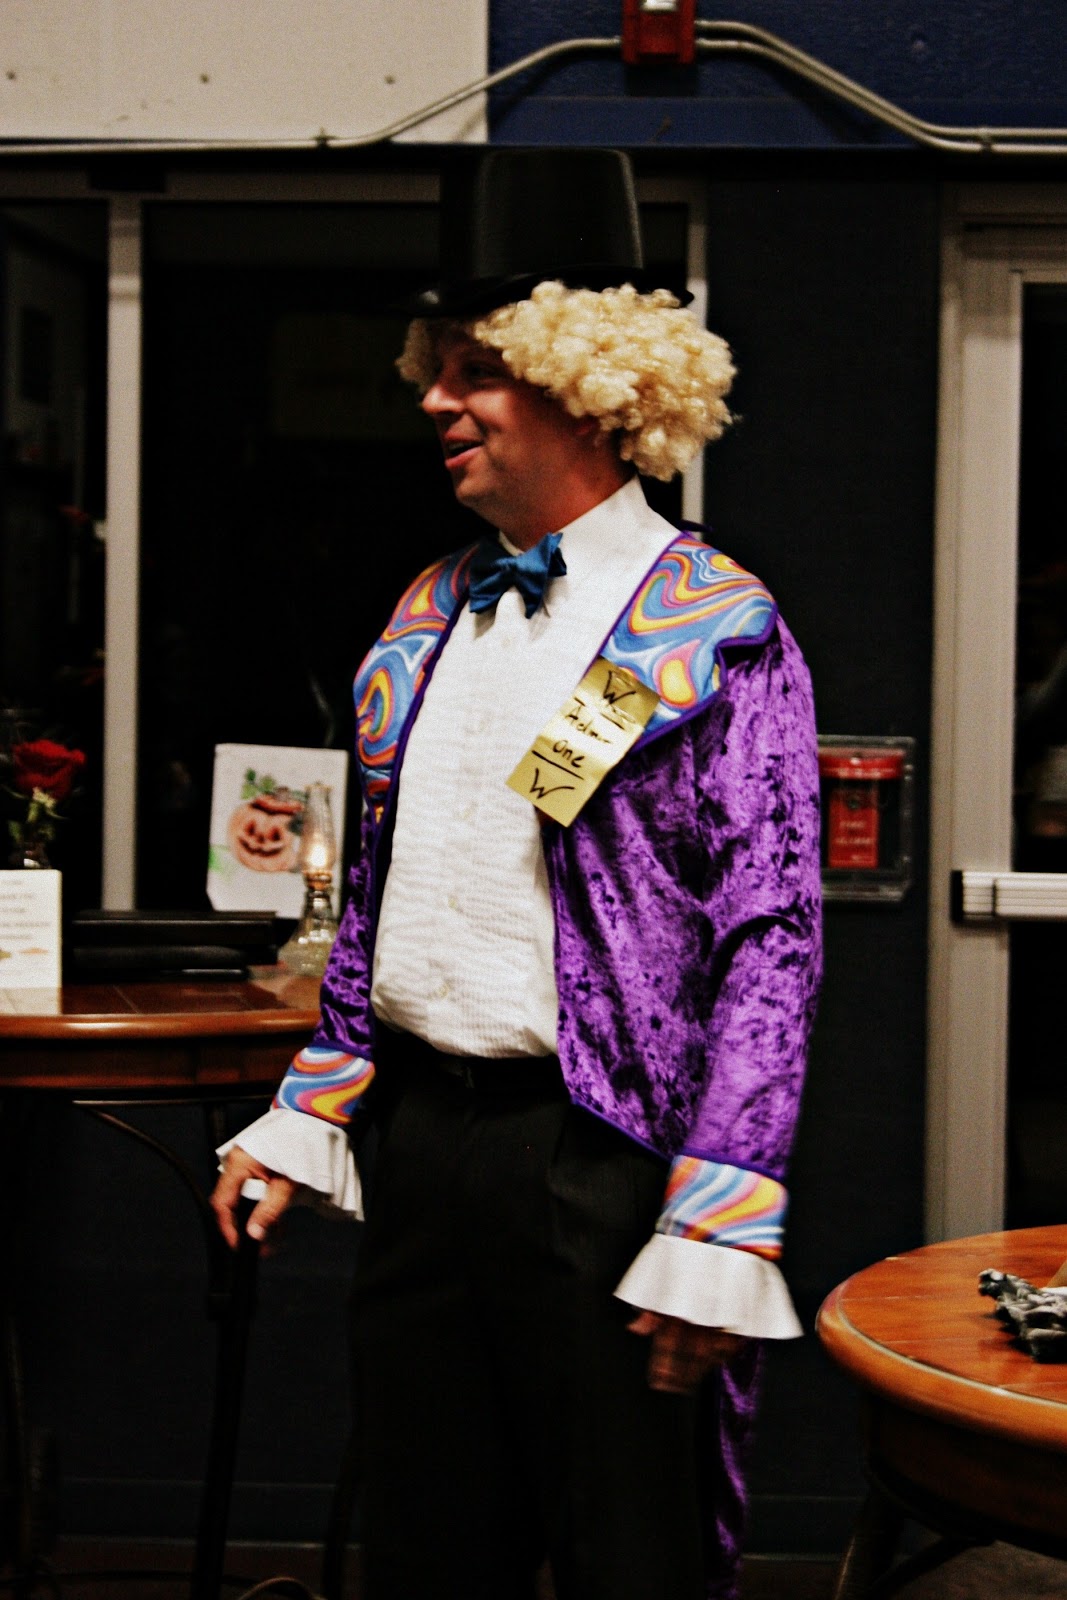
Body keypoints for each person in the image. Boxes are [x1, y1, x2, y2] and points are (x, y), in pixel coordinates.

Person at [212, 149, 822, 1600]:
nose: (436, 400)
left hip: (598, 1159)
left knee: (629, 1560)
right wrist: (310, 1106)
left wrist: (719, 1208)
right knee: (428, 1555)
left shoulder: (714, 629)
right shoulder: (431, 608)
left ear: (590, 387)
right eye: (434, 369)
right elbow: (393, 892)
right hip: (423, 1148)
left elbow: (773, 940)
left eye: (477, 371)